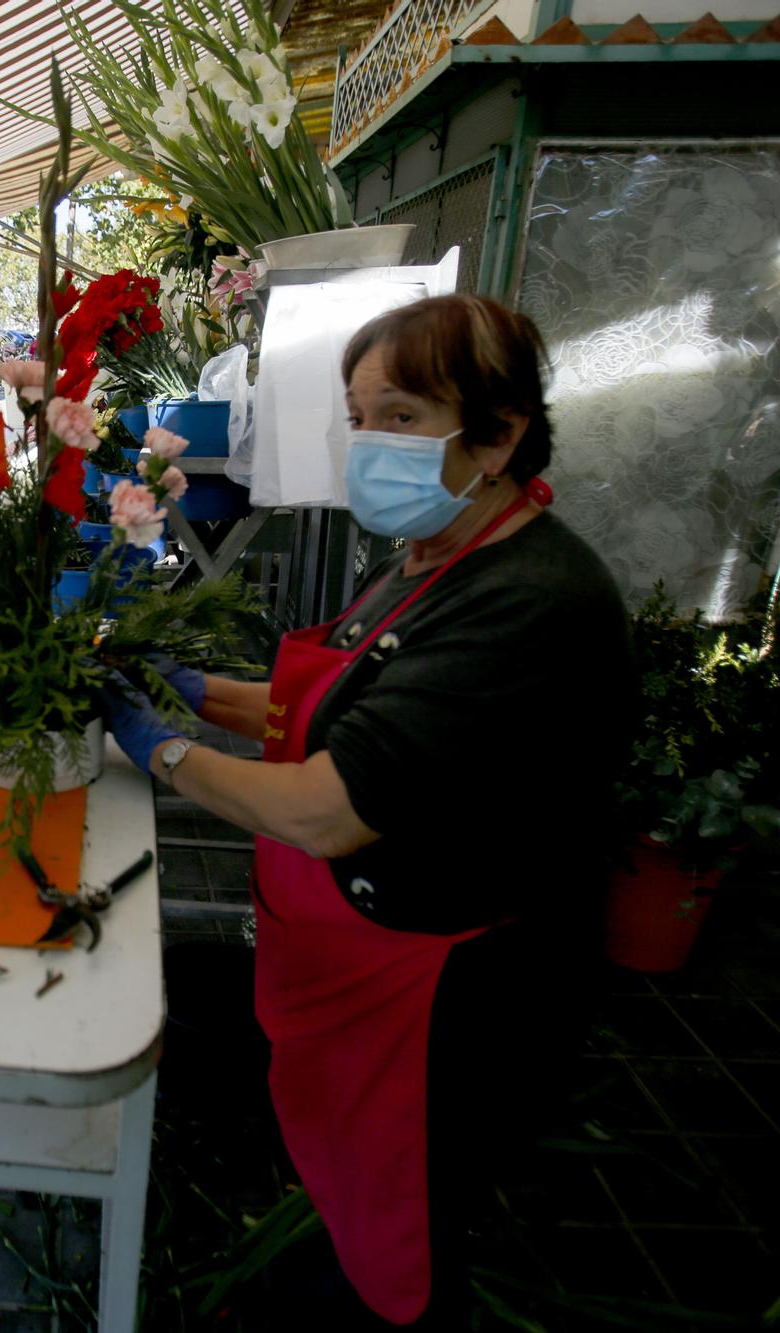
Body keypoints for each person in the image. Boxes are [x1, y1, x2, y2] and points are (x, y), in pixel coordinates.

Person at [103, 294, 634, 1326]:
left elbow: (323, 810)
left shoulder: (531, 600)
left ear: (498, 431)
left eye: (398, 414)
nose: (366, 444)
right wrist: (187, 686)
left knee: (406, 1233)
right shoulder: (432, 557)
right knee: (353, 1186)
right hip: (373, 943)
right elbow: (327, 703)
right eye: (358, 417)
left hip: (452, 992)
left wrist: (159, 748)